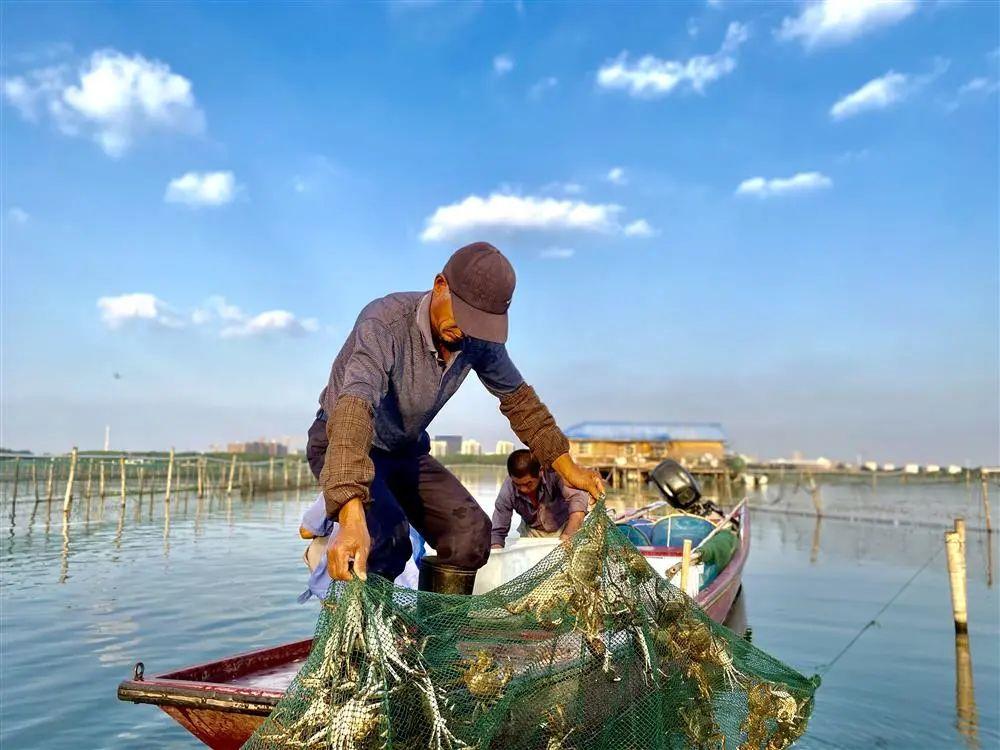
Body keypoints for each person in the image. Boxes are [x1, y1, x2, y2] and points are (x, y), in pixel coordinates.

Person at [300, 241, 603, 595]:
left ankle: (434, 639)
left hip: (404, 450)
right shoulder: (384, 322)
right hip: (345, 440)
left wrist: (571, 470)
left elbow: (522, 403)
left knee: (471, 537)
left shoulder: (477, 340)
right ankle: (362, 644)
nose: (466, 331)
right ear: (440, 285)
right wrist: (351, 517)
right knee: (388, 540)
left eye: (479, 324)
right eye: (463, 315)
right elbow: (354, 407)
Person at [490, 449, 589, 549]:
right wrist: (496, 550)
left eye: (528, 484)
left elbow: (578, 502)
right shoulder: (508, 489)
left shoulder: (554, 473)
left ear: (540, 472)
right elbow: (497, 532)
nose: (523, 489)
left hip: (564, 525)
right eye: (518, 485)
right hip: (532, 531)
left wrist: (568, 535)